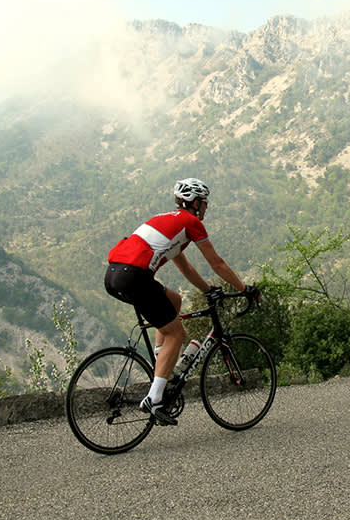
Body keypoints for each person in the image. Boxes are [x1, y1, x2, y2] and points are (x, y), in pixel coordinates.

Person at [104, 178, 254, 424]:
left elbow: (184, 266)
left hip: (114, 274)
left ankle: (163, 369)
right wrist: (244, 288)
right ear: (195, 203)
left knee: (174, 301)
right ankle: (154, 398)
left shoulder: (169, 221)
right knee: (176, 333)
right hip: (135, 277)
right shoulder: (191, 222)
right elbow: (216, 263)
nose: (206, 208)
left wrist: (207, 289)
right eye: (204, 203)